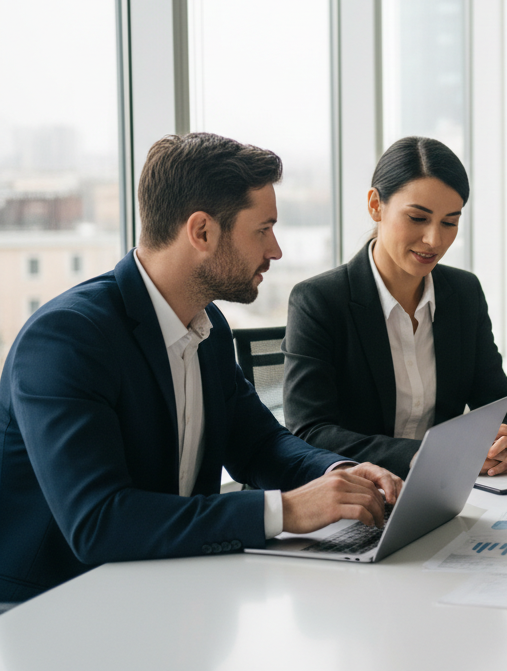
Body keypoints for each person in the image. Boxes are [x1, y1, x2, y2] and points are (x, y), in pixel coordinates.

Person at [0, 132, 402, 603]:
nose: (275, 251)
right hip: (56, 606)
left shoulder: (207, 324)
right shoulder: (67, 339)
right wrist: (286, 510)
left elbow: (260, 444)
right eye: (262, 229)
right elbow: (98, 522)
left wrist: (346, 474)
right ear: (202, 232)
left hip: (171, 585)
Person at [284, 137, 507, 480]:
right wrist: (428, 457)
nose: (434, 240)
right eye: (418, 218)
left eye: (450, 222)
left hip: (446, 495)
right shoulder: (318, 301)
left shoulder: (464, 293)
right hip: (358, 495)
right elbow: (309, 431)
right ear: (376, 205)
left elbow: (499, 405)